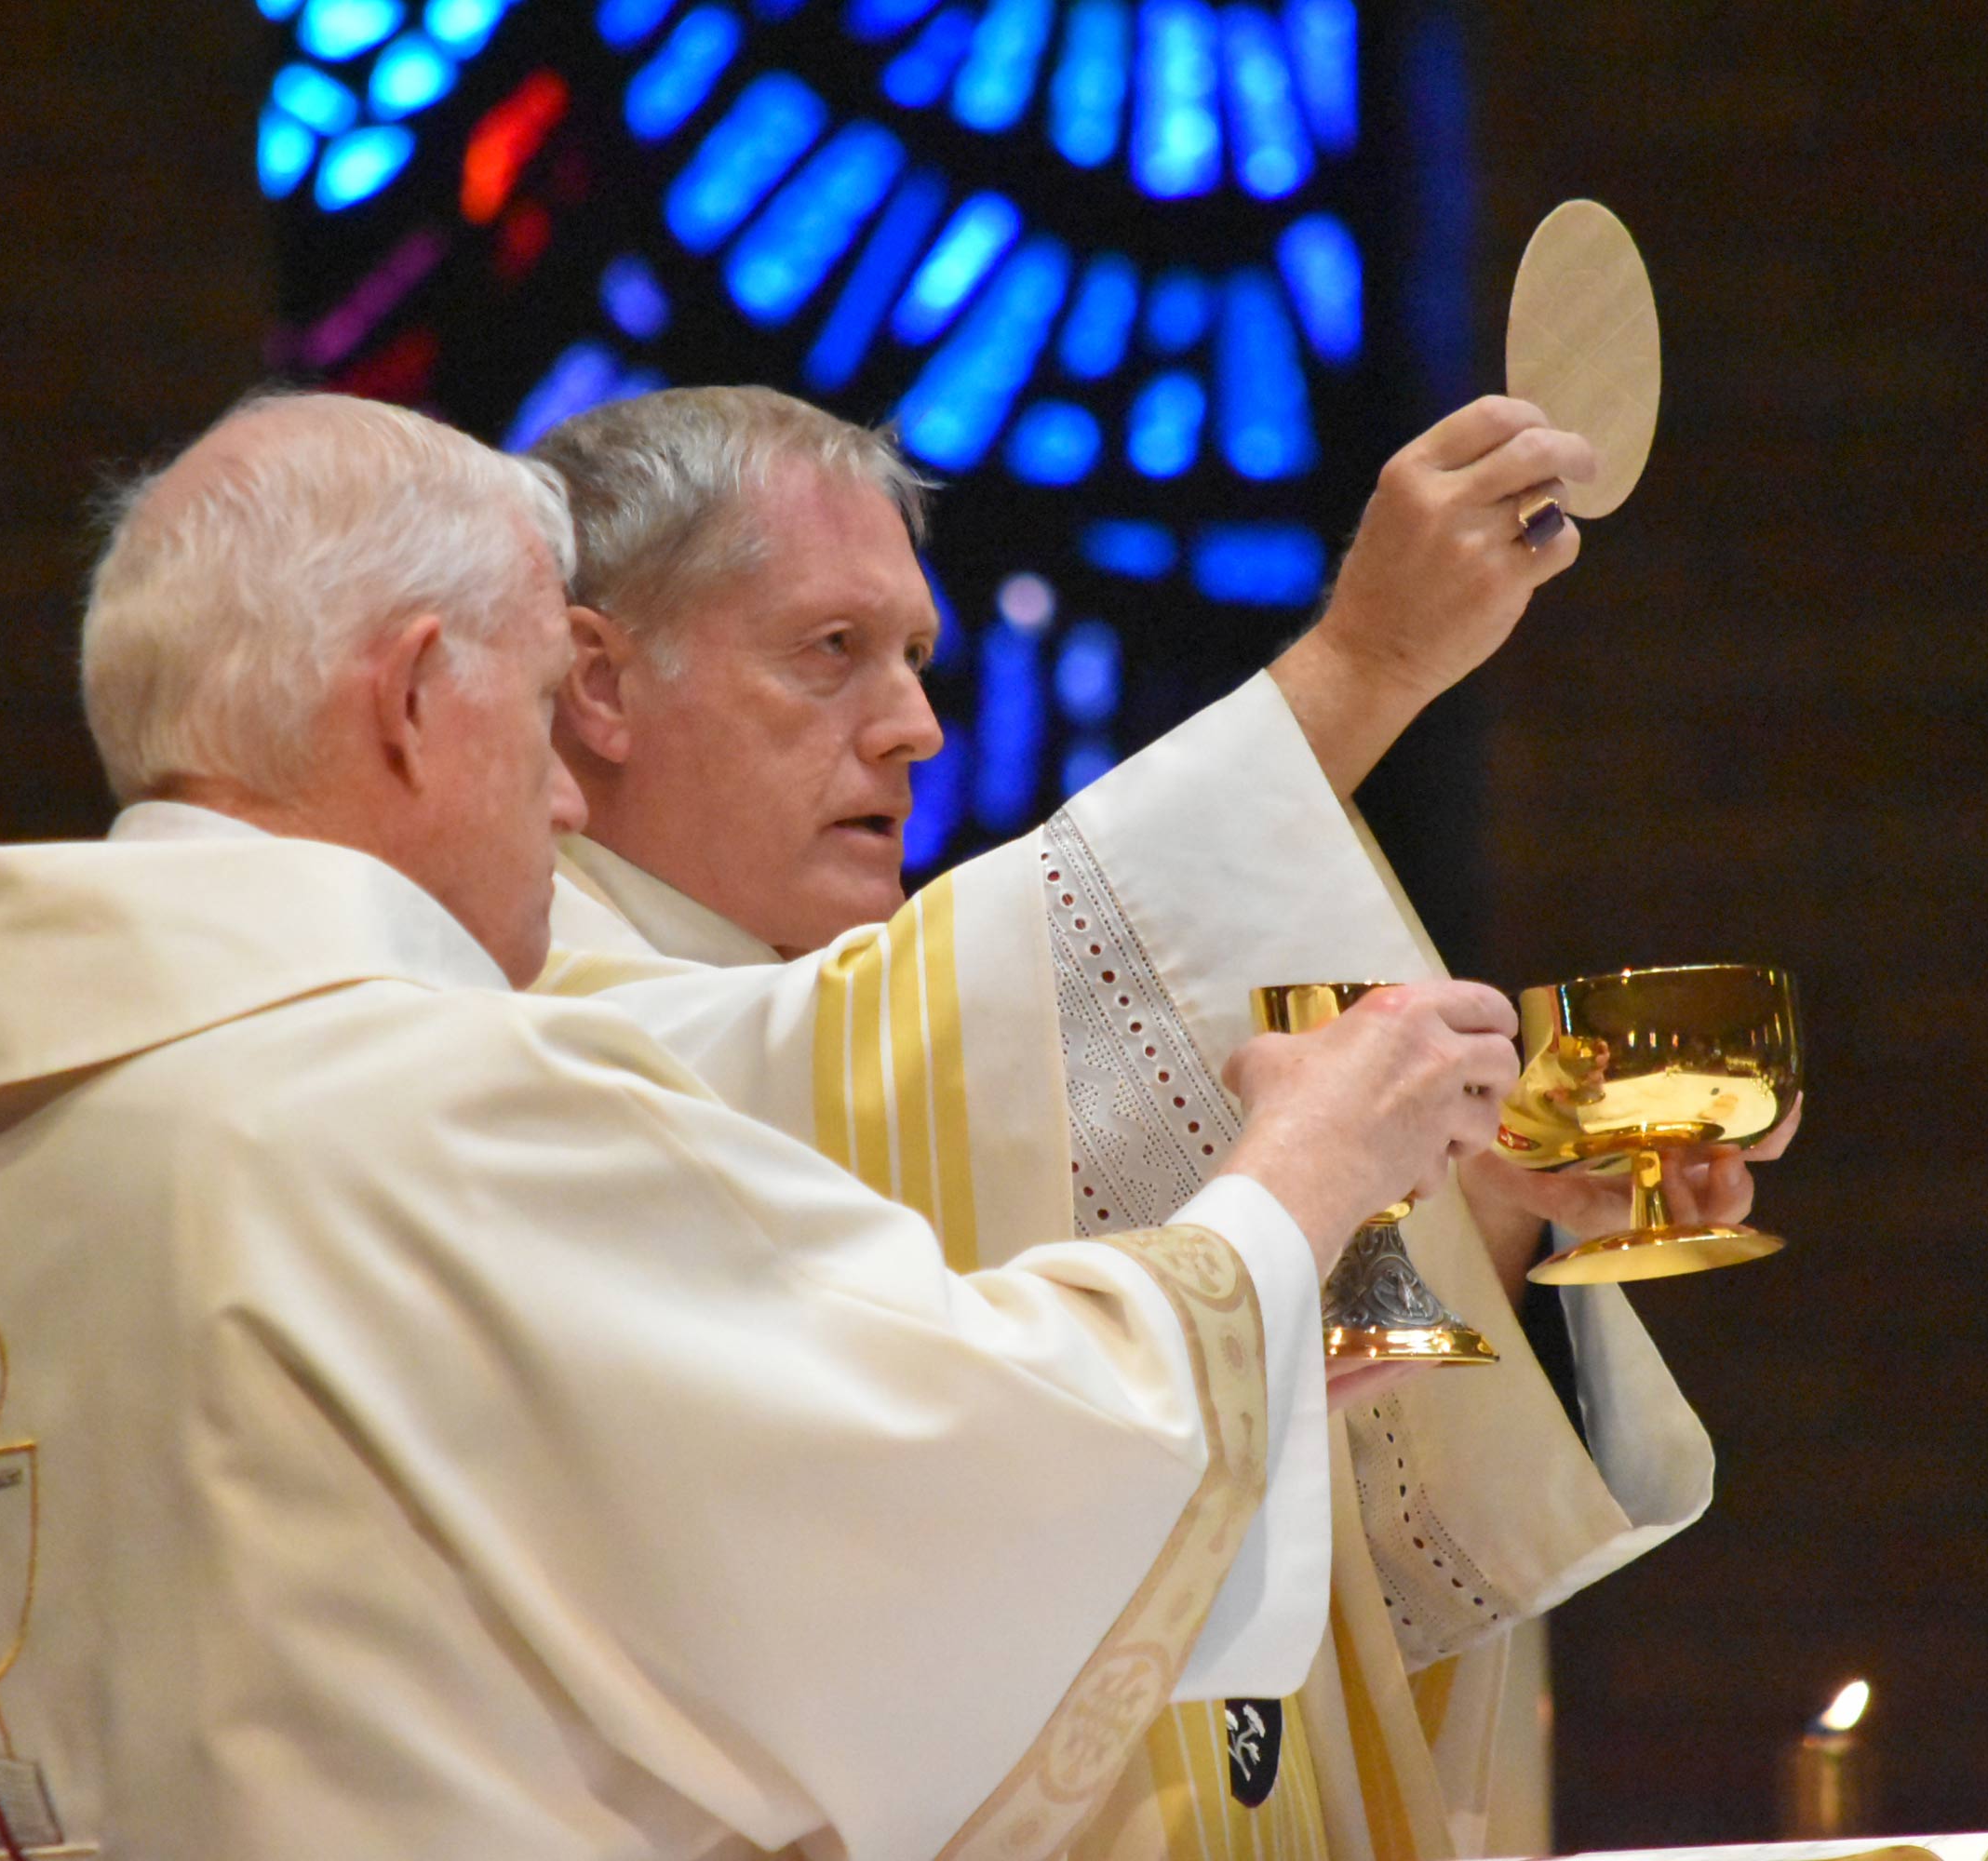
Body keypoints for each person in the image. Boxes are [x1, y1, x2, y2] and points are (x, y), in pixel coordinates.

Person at [0, 393, 1529, 1861]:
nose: (564, 789)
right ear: (412, 698)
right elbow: (956, 1471)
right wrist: (1298, 1178)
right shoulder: (411, 1104)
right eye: (542, 705)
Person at [529, 385, 1792, 1857]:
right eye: (830, 652)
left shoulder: (809, 1010)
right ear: (598, 684)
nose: (916, 728)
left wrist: (1479, 1204)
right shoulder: (524, 1012)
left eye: (918, 658)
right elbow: (832, 1077)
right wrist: (1366, 665)